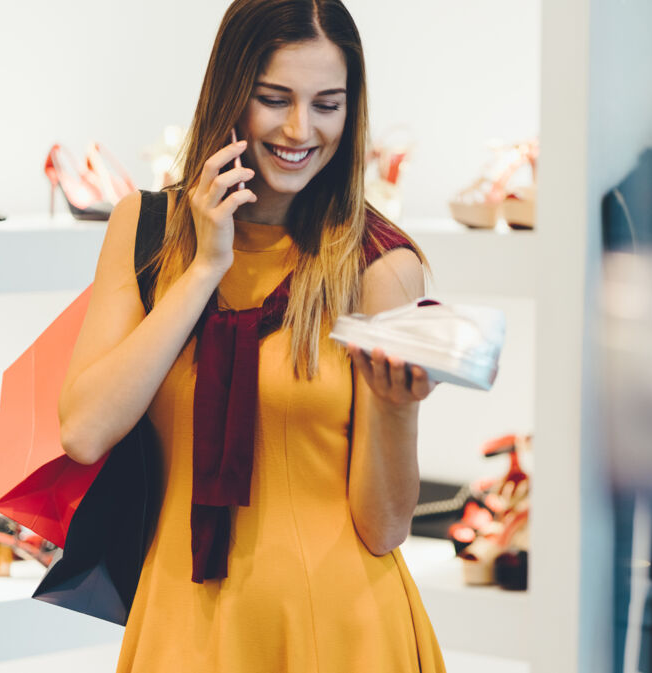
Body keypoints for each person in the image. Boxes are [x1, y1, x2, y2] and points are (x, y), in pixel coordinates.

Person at [56, 1, 446, 670]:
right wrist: (206, 267)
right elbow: (85, 429)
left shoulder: (378, 264)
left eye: (328, 104)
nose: (301, 129)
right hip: (182, 626)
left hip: (339, 629)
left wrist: (400, 407)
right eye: (275, 99)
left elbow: (383, 525)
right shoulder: (149, 229)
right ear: (232, 94)